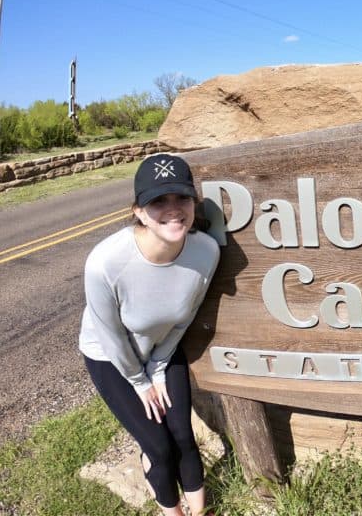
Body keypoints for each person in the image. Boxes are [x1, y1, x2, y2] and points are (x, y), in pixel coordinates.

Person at [79, 154, 220, 516]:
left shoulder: (205, 251)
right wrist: (141, 382)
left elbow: (184, 318)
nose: (174, 210)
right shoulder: (105, 263)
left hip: (162, 349)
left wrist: (157, 367)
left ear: (193, 202)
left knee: (184, 437)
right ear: (139, 211)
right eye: (159, 200)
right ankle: (170, 510)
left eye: (182, 198)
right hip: (112, 358)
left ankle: (199, 511)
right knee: (158, 447)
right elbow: (110, 336)